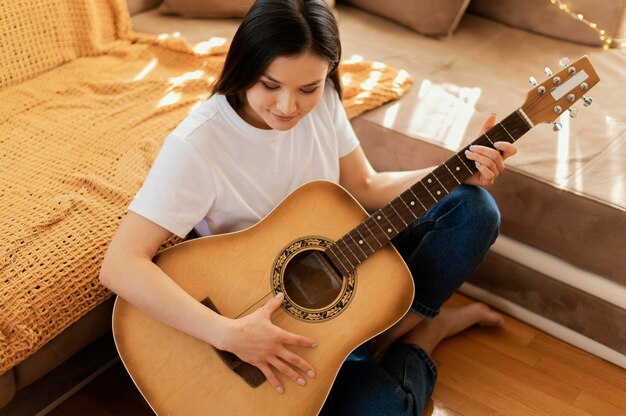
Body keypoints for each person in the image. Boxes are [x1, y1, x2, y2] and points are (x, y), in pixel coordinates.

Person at [99, 0, 515, 414]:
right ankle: (423, 335)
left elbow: (365, 185)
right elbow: (120, 265)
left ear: (327, 76)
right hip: (266, 327)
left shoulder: (326, 99)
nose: (287, 107)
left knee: (473, 208)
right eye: (270, 85)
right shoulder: (197, 147)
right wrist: (229, 334)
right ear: (243, 68)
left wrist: (457, 169)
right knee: (388, 410)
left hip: (347, 276)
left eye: (307, 89)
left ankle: (400, 326)